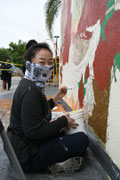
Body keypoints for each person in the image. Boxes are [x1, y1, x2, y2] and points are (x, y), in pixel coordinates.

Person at [6, 42, 89, 173]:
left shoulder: (30, 84)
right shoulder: (30, 91)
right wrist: (63, 121)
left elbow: (37, 111)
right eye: (41, 62)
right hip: (27, 157)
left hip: (23, 148)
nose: (47, 67)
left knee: (64, 132)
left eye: (50, 62)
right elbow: (34, 132)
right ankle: (51, 165)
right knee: (82, 140)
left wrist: (56, 99)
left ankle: (56, 158)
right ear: (29, 64)